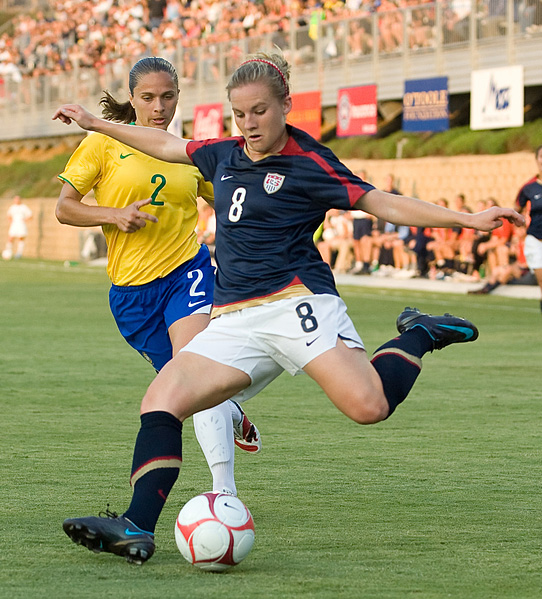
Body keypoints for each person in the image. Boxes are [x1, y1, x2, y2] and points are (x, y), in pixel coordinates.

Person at [53, 51, 524, 565]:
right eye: (239, 113)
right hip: (234, 318)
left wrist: (468, 220)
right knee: (161, 399)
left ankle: (420, 333)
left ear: (285, 106)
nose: (249, 124)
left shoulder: (310, 161)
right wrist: (97, 123)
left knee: (368, 407)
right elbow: (166, 144)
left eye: (259, 111)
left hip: (297, 303)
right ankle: (136, 525)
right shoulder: (222, 153)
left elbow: (378, 201)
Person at [55, 57, 262, 508]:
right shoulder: (102, 146)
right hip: (132, 296)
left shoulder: (189, 153)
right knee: (185, 384)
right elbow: (65, 208)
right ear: (132, 99)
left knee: (196, 368)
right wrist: (113, 214)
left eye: (168, 97)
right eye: (148, 98)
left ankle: (224, 495)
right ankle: (231, 411)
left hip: (188, 272)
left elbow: (234, 201)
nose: (158, 107)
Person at [515, 144, 542, 314]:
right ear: (537, 159)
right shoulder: (529, 188)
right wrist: (518, 227)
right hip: (536, 240)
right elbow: (517, 209)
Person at [2, 195, 32, 260]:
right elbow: (9, 215)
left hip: (21, 225)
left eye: (18, 199)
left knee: (21, 238)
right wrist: (10, 220)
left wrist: (24, 220)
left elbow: (30, 215)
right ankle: (8, 251)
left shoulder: (24, 207)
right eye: (15, 199)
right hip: (14, 224)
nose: (16, 200)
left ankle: (19, 254)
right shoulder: (12, 207)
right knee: (10, 238)